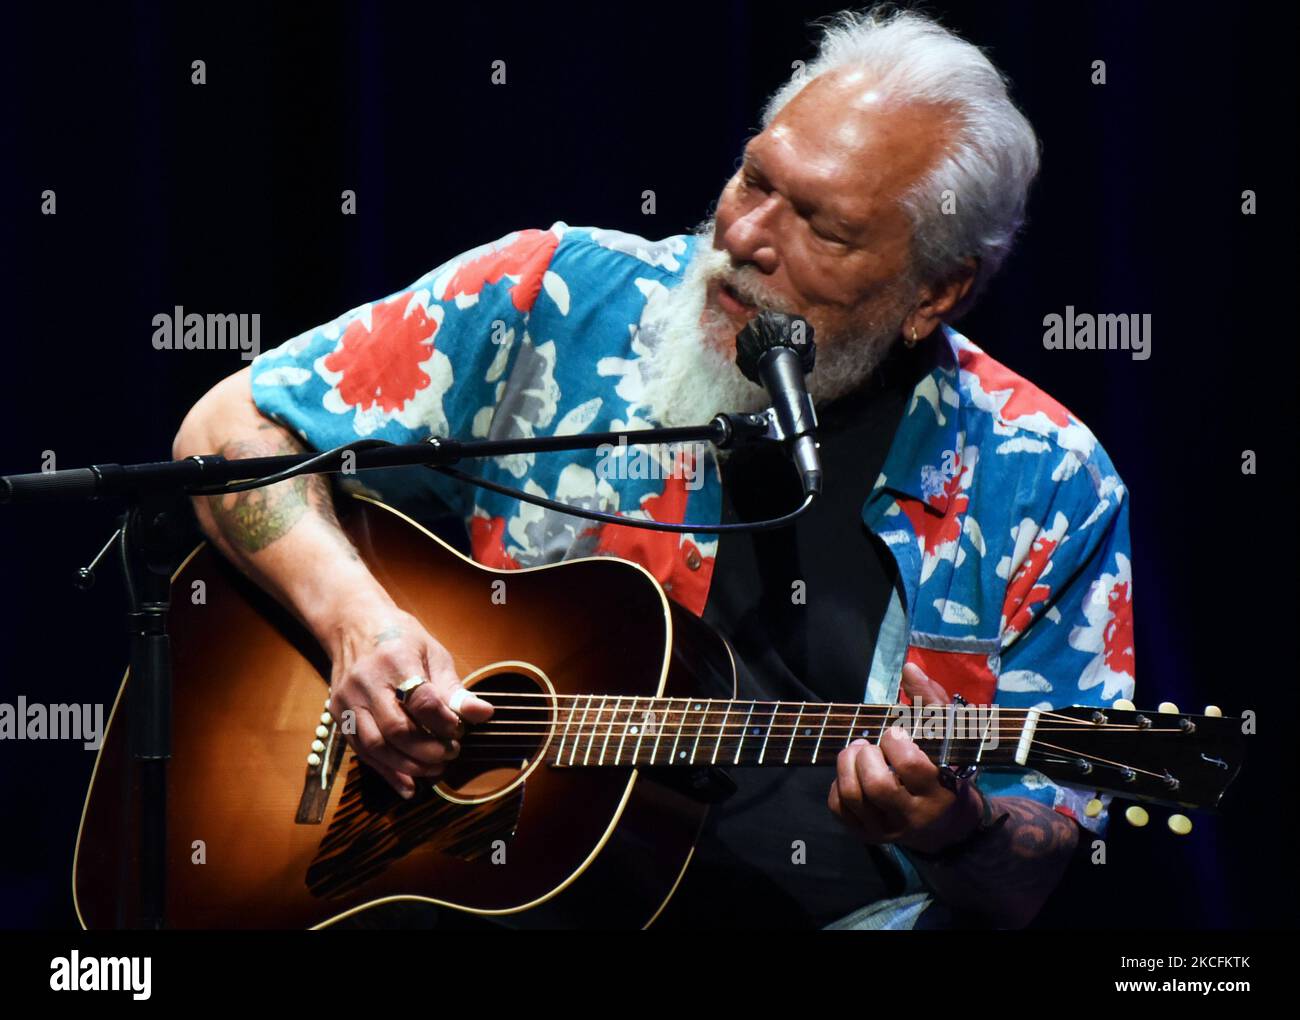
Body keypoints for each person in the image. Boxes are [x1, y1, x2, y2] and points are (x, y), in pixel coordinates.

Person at [172, 7, 1135, 929]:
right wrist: (358, 624)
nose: (745, 242)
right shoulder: (549, 297)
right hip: (472, 889)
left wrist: (956, 830)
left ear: (936, 292)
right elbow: (230, 430)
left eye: (823, 229)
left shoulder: (1045, 483)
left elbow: (1031, 879)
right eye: (755, 180)